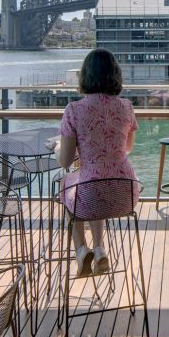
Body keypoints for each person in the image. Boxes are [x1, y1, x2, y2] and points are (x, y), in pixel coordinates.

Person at [56, 48, 139, 276]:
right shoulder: (126, 107)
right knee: (97, 186)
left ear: (85, 75)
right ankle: (100, 249)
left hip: (91, 195)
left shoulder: (74, 110)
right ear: (115, 74)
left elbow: (65, 161)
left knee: (70, 185)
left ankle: (82, 250)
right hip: (126, 194)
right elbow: (127, 148)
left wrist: (57, 147)